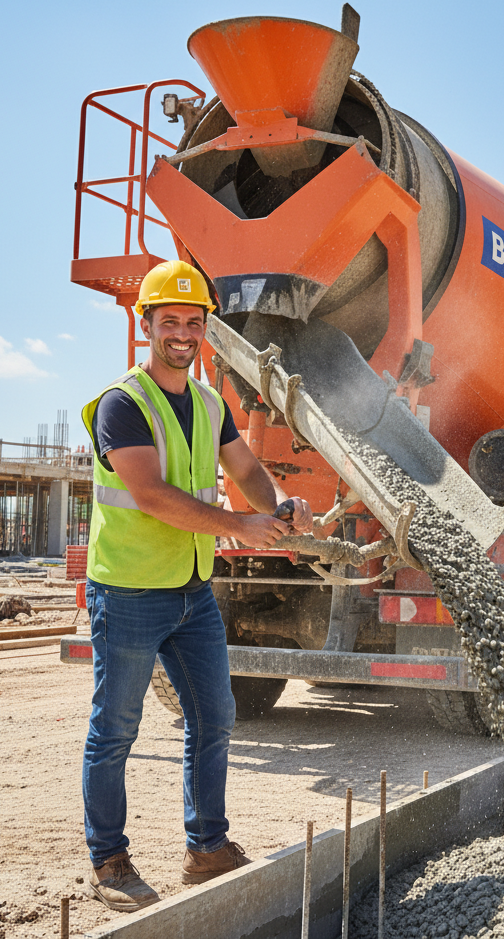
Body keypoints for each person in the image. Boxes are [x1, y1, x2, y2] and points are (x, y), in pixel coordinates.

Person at [80, 259, 312, 913]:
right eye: (170, 321)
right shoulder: (123, 404)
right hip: (127, 591)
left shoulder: (210, 403)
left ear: (206, 328)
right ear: (146, 323)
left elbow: (247, 471)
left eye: (193, 321)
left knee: (215, 717)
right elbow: (151, 495)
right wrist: (241, 525)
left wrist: (281, 504)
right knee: (115, 729)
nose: (182, 332)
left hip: (191, 592)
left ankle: (206, 848)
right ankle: (109, 860)